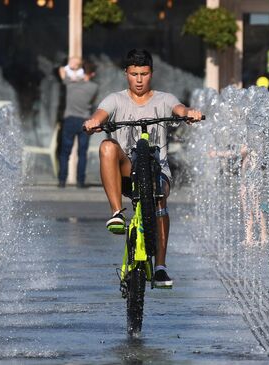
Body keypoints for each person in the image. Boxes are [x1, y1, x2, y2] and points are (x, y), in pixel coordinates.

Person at [83, 49, 202, 288]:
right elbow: (101, 112)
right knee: (107, 146)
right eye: (134, 74)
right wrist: (95, 121)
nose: (139, 80)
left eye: (144, 74)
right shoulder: (115, 99)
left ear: (151, 74)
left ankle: (160, 267)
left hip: (158, 172)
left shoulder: (164, 99)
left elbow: (179, 108)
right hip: (128, 171)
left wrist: (189, 113)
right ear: (126, 73)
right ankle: (117, 213)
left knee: (160, 202)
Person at [57, 60, 99, 188]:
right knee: (82, 152)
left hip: (70, 119)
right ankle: (80, 181)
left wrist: (71, 67)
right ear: (92, 74)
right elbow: (92, 101)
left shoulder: (70, 83)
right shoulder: (94, 87)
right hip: (84, 121)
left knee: (65, 152)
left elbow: (61, 70)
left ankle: (62, 181)